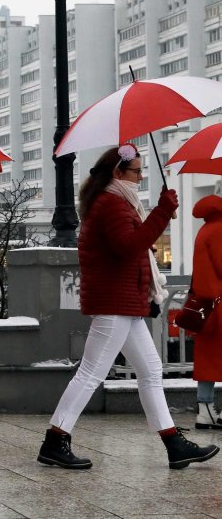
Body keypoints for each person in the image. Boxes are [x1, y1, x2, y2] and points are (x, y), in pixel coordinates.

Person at [38, 144, 218, 470]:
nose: (140, 176)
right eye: (136, 171)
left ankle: (174, 444)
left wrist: (143, 296)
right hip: (114, 303)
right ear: (118, 172)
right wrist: (162, 212)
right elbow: (129, 247)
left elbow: (130, 254)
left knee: (150, 372)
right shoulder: (111, 204)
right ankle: (55, 440)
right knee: (91, 373)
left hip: (123, 301)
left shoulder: (115, 202)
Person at [187, 180, 222, 429]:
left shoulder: (206, 228)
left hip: (206, 304)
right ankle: (207, 411)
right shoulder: (220, 230)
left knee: (208, 358)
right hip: (219, 305)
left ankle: (205, 409)